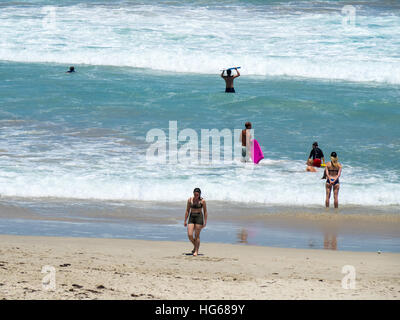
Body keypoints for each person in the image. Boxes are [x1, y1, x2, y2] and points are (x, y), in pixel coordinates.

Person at [184, 188, 208, 256]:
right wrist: (185, 220)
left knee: (197, 235)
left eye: (197, 194)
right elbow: (187, 210)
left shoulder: (202, 201)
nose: (196, 195)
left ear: (199, 194)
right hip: (191, 217)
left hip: (199, 217)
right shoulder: (190, 200)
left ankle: (196, 251)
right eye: (195, 194)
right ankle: (195, 245)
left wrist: (205, 222)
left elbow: (205, 212)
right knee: (190, 234)